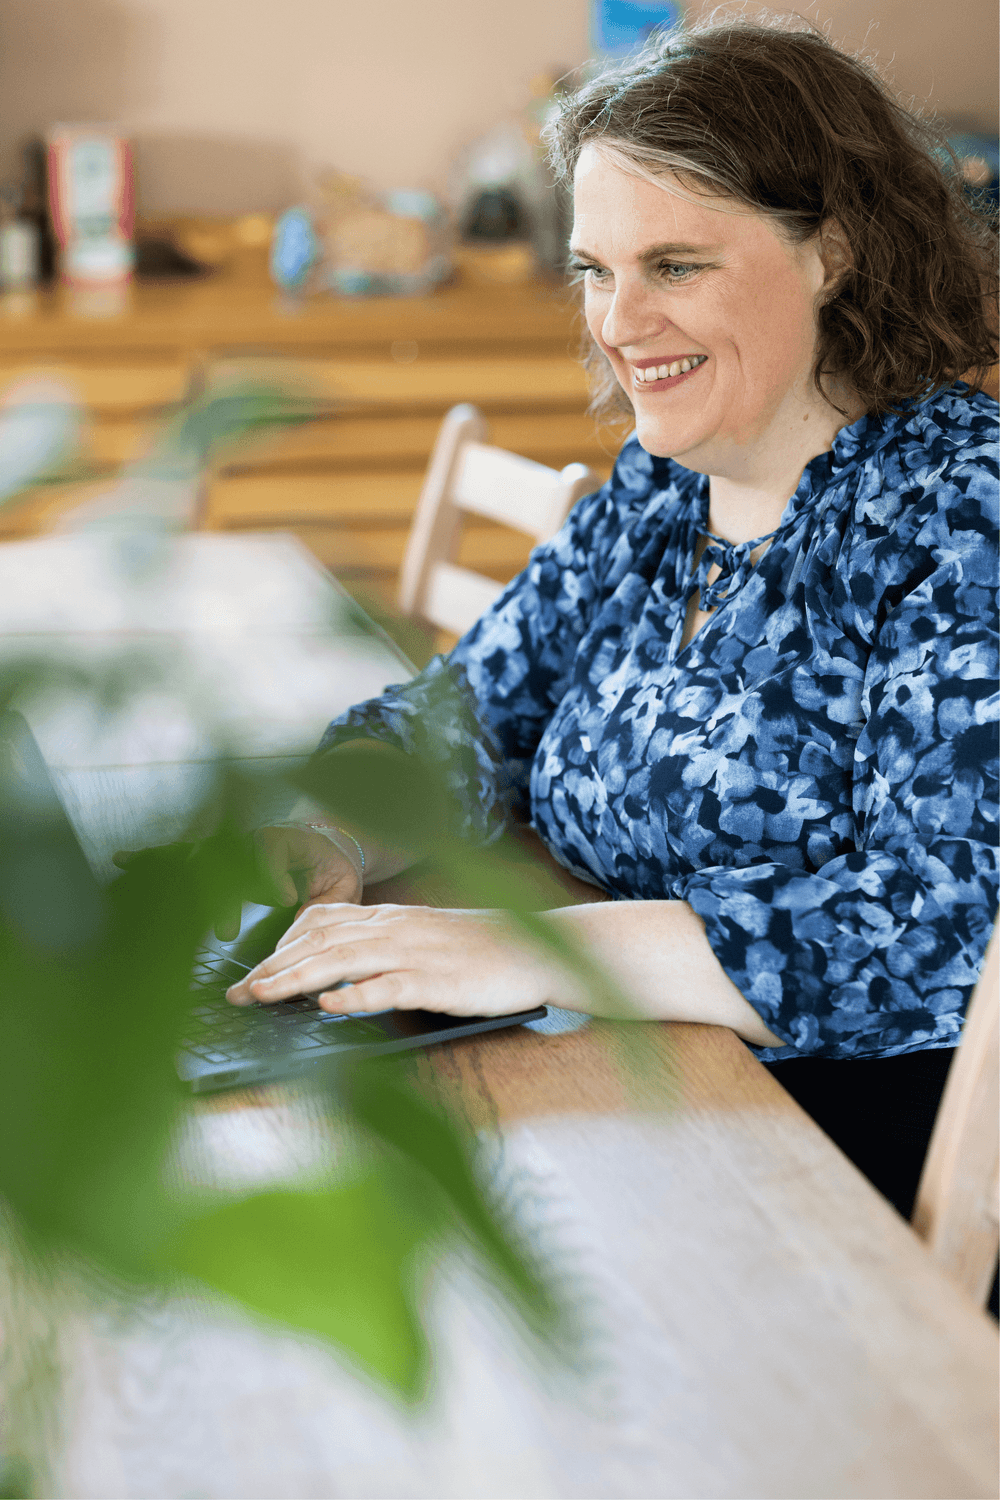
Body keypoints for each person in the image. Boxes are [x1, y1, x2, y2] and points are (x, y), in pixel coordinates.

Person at [227, 18, 998, 1226]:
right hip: (612, 1075)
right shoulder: (665, 486)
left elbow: (932, 931)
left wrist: (528, 948)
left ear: (833, 255)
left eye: (675, 266)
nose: (617, 322)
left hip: (817, 1160)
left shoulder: (960, 511)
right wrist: (330, 834)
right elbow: (470, 708)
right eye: (596, 269)